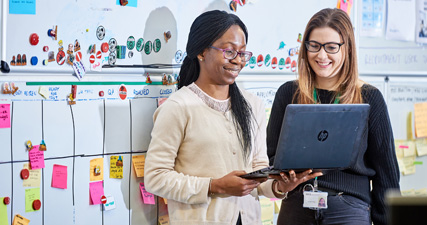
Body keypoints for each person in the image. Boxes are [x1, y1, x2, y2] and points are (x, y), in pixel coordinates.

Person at [144, 10, 320, 225]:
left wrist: (280, 186)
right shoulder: (178, 106)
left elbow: (258, 170)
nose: (238, 60)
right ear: (201, 51)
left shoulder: (252, 105)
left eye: (243, 53)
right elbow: (155, 177)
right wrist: (214, 186)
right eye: (229, 52)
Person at [267, 8, 400, 225]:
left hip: (349, 208)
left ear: (347, 49)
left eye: (331, 47)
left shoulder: (369, 98)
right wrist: (287, 175)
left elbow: (387, 176)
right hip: (297, 206)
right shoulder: (288, 93)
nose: (321, 55)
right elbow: (272, 158)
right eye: (314, 46)